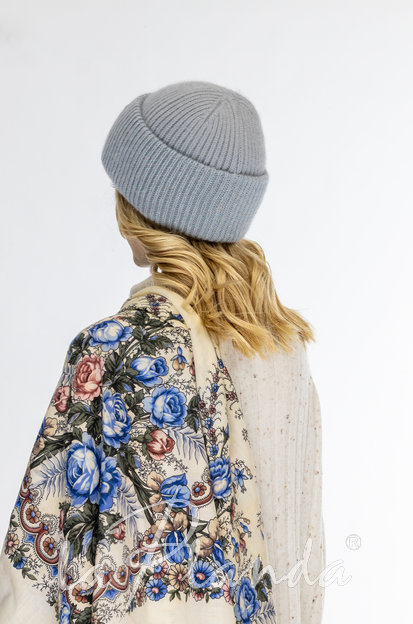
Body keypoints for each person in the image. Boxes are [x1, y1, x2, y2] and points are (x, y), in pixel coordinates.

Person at [0, 80, 325, 624]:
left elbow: (37, 571)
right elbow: (301, 554)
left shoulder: (111, 350)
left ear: (148, 203)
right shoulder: (282, 351)